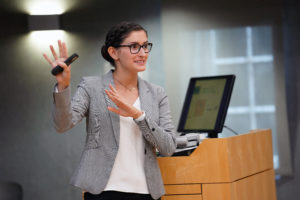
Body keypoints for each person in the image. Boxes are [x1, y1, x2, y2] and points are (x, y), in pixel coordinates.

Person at [43, 21, 176, 200]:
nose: (143, 53)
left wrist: (138, 116)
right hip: (103, 190)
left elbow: (168, 147)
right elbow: (62, 124)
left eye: (145, 46)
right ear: (113, 52)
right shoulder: (91, 86)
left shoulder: (157, 93)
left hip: (146, 191)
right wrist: (63, 85)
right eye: (134, 47)